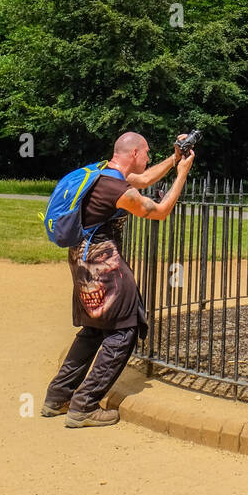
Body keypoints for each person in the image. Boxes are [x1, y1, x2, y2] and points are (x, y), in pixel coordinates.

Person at [42, 130, 196, 428]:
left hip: (82, 261)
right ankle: (84, 406)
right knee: (126, 328)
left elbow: (145, 179)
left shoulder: (102, 174)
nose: (149, 157)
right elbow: (160, 211)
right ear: (134, 154)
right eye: (147, 153)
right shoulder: (116, 189)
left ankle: (58, 396)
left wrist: (174, 158)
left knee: (94, 329)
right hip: (104, 267)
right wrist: (182, 174)